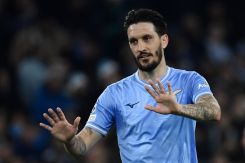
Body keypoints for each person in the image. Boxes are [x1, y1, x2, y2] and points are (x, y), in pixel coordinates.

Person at [40, 8, 221, 163]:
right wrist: (70, 141)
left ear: (164, 40)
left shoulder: (189, 80)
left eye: (147, 38)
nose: (140, 47)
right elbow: (81, 146)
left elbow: (214, 111)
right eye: (134, 41)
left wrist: (179, 108)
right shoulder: (114, 93)